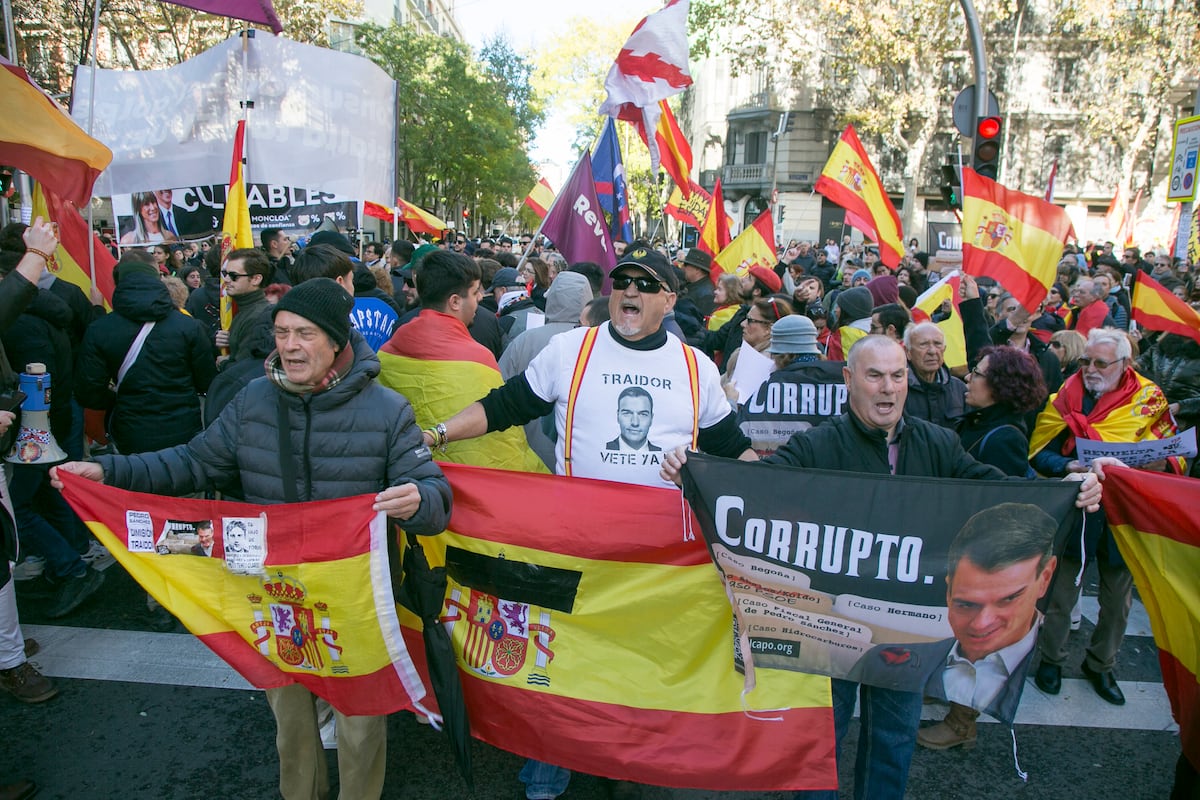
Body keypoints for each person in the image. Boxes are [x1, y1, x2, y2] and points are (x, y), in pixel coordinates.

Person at [53, 278, 452, 800]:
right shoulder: (253, 399)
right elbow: (193, 462)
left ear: (336, 341)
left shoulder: (387, 411)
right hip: (272, 591)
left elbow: (435, 493)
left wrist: (418, 501)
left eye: (304, 334)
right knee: (292, 724)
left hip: (352, 599)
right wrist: (110, 473)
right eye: (282, 331)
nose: (288, 345)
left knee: (359, 722)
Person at [660, 335, 1106, 800]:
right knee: (821, 741)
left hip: (907, 626)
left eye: (897, 376)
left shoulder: (938, 443)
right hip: (830, 625)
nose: (888, 388)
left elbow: (1000, 491)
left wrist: (1066, 488)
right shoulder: (818, 445)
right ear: (850, 380)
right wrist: (694, 471)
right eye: (875, 376)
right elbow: (755, 489)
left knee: (892, 741)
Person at [423, 243, 755, 799]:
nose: (631, 290)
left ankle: (632, 767)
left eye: (647, 284)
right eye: (623, 280)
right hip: (576, 547)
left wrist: (788, 496)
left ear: (668, 300)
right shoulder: (571, 351)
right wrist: (435, 435)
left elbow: (734, 452)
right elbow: (503, 406)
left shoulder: (695, 366)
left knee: (641, 665)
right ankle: (548, 775)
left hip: (659, 561)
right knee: (564, 665)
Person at [1030, 327, 1183, 706]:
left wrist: (1160, 462)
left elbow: (1176, 455)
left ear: (1125, 364)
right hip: (1077, 508)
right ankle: (1052, 660)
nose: (1090, 369)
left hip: (1125, 513)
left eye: (1100, 363)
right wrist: (1069, 463)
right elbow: (1037, 453)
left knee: (1118, 601)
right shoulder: (1066, 395)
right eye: (1085, 361)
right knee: (1062, 595)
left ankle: (1101, 665)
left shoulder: (1150, 399)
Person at [213, 248, 273, 364]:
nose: (226, 280)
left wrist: (224, 363)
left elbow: (246, 368)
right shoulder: (244, 308)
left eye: (233, 276)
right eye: (225, 274)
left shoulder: (257, 317)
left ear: (256, 279)